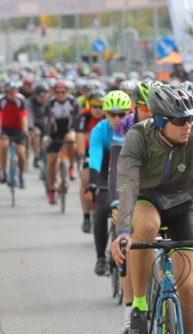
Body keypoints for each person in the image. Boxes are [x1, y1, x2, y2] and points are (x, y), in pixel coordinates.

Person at [110, 84, 193, 334]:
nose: (188, 125)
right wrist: (123, 230)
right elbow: (127, 185)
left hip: (182, 202)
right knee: (145, 227)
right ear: (160, 121)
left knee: (188, 287)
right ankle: (139, 305)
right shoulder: (138, 136)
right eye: (179, 120)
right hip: (146, 198)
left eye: (191, 118)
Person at [109, 80, 157, 334]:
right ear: (134, 106)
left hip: (163, 193)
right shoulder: (125, 126)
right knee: (131, 244)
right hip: (133, 190)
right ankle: (130, 308)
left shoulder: (167, 122)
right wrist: (116, 202)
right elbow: (116, 167)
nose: (149, 113)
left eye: (153, 108)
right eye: (143, 107)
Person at [85, 90, 131, 276]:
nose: (117, 118)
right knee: (103, 208)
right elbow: (95, 157)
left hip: (128, 172)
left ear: (130, 112)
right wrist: (95, 181)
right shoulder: (99, 130)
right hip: (105, 172)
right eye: (113, 114)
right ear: (105, 114)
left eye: (122, 114)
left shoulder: (135, 127)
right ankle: (100, 258)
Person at [44, 80, 79, 205]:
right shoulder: (50, 104)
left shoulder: (73, 102)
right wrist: (46, 136)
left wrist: (76, 132)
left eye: (62, 92)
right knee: (52, 160)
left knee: (71, 140)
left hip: (68, 130)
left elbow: (77, 119)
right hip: (54, 132)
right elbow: (47, 121)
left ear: (67, 92)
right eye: (57, 92)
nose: (60, 94)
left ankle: (70, 167)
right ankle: (52, 188)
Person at [76, 90, 106, 233]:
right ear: (89, 106)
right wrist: (82, 156)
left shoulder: (109, 115)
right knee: (86, 179)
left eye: (101, 106)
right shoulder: (84, 116)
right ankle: (86, 216)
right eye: (94, 106)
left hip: (107, 152)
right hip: (88, 152)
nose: (98, 110)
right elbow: (80, 136)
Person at [0, 81, 29, 187]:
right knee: (3, 145)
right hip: (5, 128)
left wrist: (25, 131)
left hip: (18, 128)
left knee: (21, 152)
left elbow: (24, 117)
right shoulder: (2, 101)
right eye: (10, 93)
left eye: (14, 92)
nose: (13, 95)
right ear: (6, 93)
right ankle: (3, 171)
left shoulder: (21, 101)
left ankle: (21, 174)